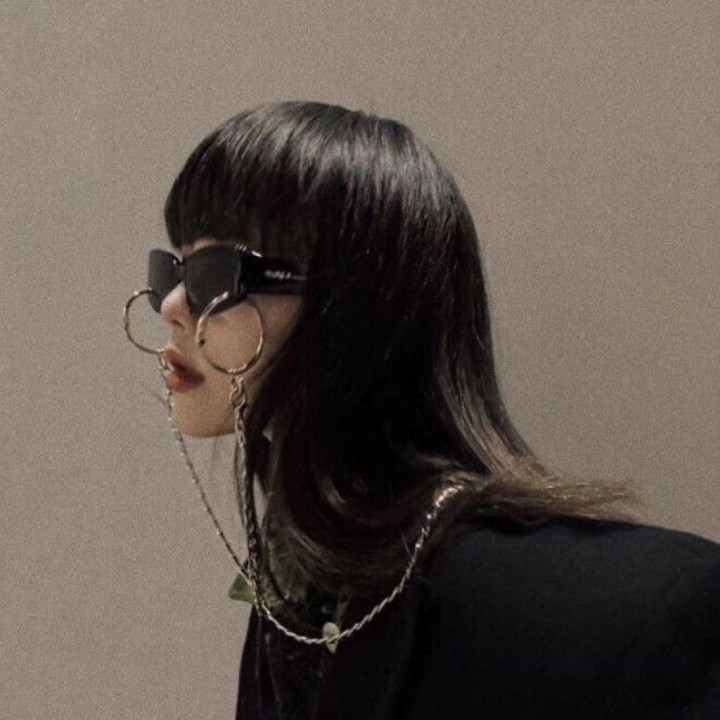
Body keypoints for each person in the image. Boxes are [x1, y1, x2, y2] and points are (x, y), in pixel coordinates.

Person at [124, 101, 720, 719]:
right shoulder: (306, 607)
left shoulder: (632, 611)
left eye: (214, 273)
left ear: (353, 303)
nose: (170, 305)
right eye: (172, 270)